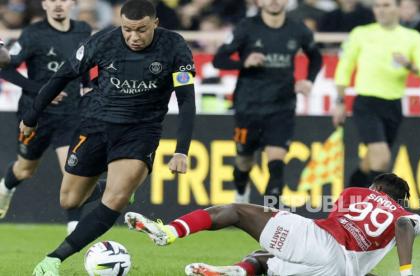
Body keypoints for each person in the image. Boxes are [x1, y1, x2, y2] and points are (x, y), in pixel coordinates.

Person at [23, 0, 196, 274]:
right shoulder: (103, 41)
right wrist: (31, 117)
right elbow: (61, 76)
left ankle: (54, 258)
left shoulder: (174, 46)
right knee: (69, 201)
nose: (133, 37)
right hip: (96, 125)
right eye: (127, 29)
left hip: (140, 130)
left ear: (155, 23)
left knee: (114, 201)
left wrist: (181, 150)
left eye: (140, 30)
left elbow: (186, 101)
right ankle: (115, 188)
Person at [126, 173, 420, 276]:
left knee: (235, 211)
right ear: (401, 200)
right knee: (265, 260)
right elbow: (404, 228)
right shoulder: (406, 215)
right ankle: (237, 270)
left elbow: (396, 225)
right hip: (339, 270)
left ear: (375, 188)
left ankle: (167, 232)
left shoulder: (355, 193)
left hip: (319, 242)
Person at [212, 0, 322, 206]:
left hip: (282, 106)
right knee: (244, 159)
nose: (273, 1)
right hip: (248, 106)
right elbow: (218, 59)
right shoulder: (246, 27)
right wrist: (244, 62)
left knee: (277, 161)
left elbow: (315, 57)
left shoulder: (298, 29)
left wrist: (308, 80)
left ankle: (269, 219)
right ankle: (241, 194)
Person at [0, 0, 92, 233]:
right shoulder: (33, 34)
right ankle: (5, 187)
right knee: (24, 170)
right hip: (36, 115)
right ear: (44, 4)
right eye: (52, 0)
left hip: (71, 114)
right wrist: (41, 91)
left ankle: (74, 228)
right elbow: (6, 68)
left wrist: (88, 86)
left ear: (72, 3)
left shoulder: (83, 30)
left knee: (73, 171)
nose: (57, 5)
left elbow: (84, 65)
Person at [332, 0, 420, 188]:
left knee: (370, 162)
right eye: (377, 6)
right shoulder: (361, 33)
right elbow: (344, 67)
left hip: (393, 105)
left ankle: (349, 198)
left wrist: (409, 65)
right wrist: (339, 101)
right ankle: (374, 209)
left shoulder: (412, 37)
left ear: (398, 8)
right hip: (366, 102)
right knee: (381, 159)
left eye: (386, 5)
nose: (380, 10)